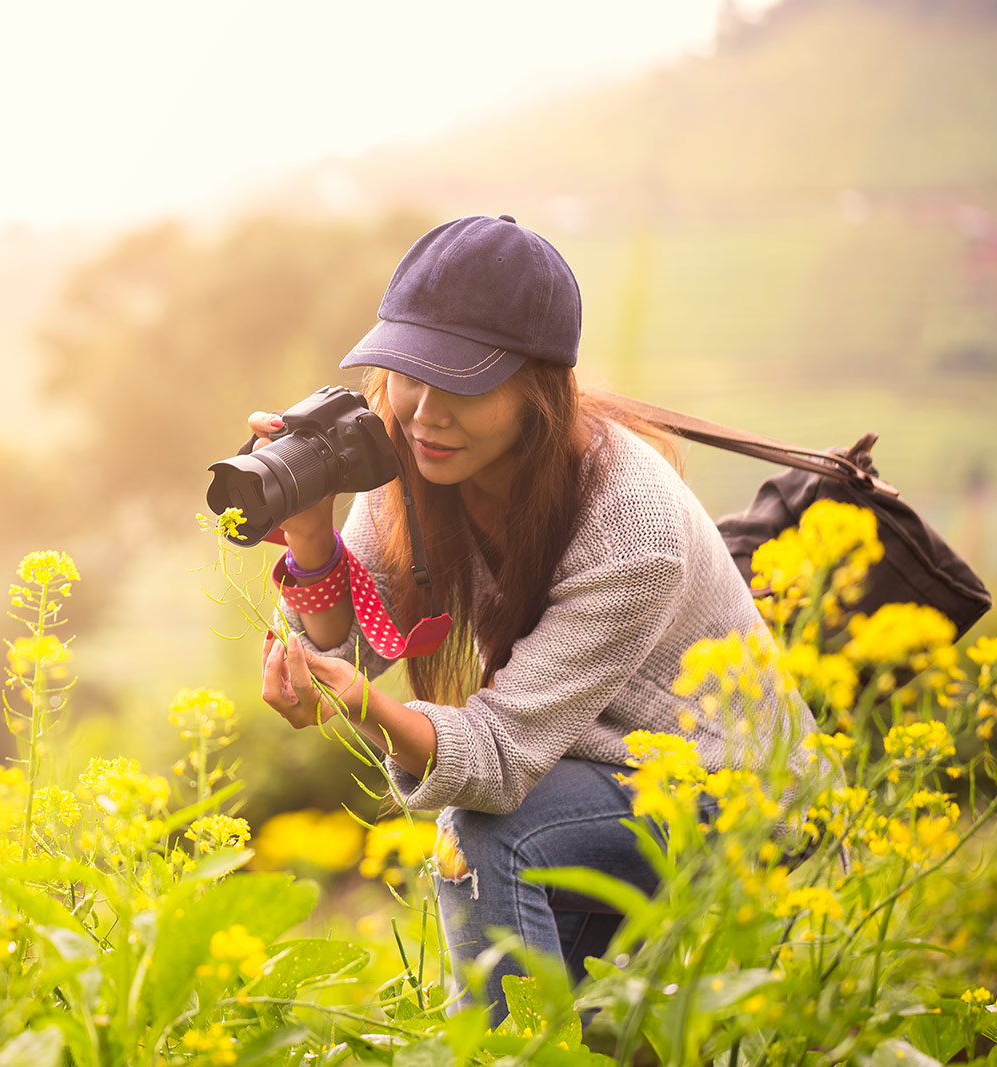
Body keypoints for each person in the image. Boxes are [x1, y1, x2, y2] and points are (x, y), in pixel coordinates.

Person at [248, 215, 814, 1022]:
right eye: (409, 372)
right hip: (593, 776)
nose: (424, 412)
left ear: (539, 389)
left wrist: (363, 706)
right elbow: (352, 643)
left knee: (481, 838)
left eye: (464, 382)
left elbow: (500, 758)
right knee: (599, 1028)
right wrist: (310, 533)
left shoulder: (632, 524)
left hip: (739, 796)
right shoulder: (413, 467)